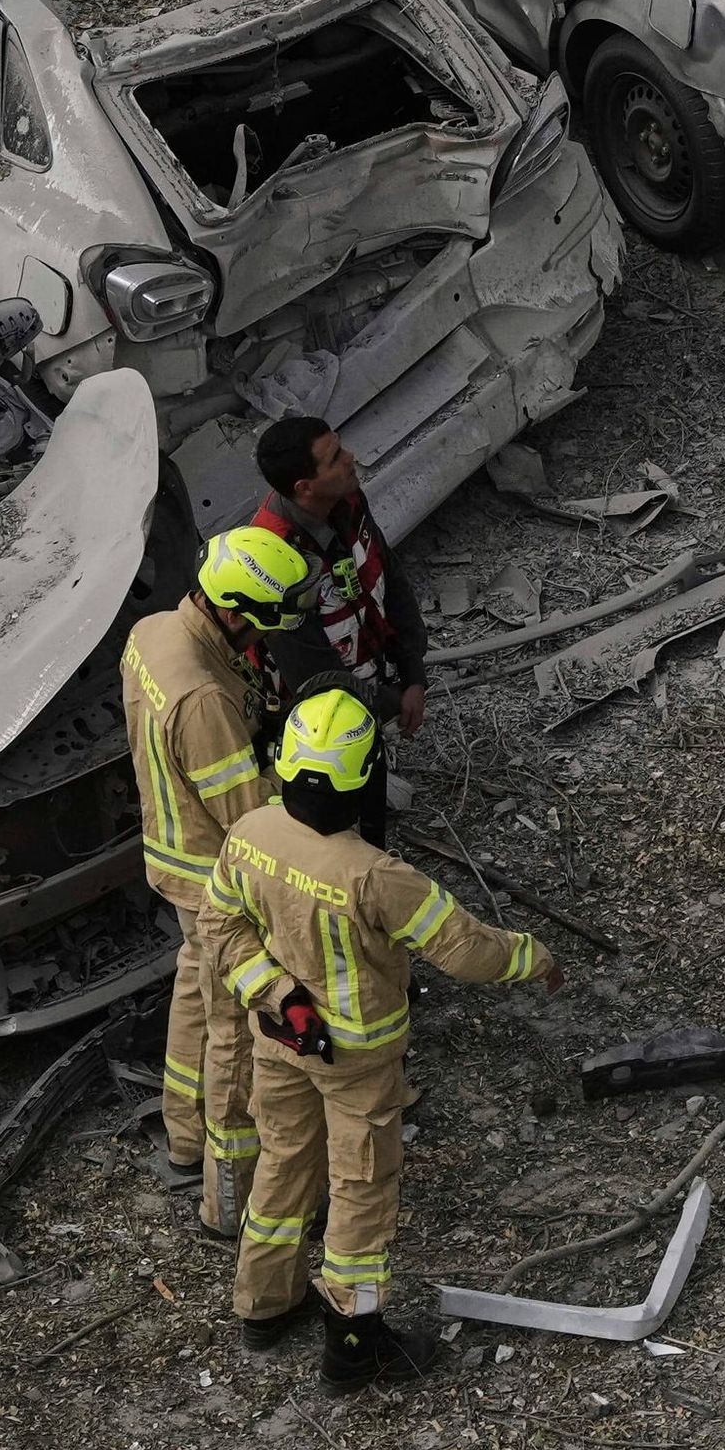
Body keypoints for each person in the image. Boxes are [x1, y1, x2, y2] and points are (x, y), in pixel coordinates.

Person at [219, 683, 556, 1388]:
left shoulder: (249, 833)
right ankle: (353, 1346)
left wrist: (280, 996)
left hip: (279, 1036)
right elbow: (465, 948)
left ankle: (264, 1306)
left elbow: (221, 932)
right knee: (362, 1193)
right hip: (358, 1059)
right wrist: (533, 956)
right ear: (362, 777)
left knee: (283, 1163)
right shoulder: (375, 875)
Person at [124, 523, 313, 1237]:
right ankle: (226, 1202)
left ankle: (181, 1135)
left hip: (170, 852)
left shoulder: (153, 634)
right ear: (234, 611)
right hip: (214, 877)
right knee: (233, 1030)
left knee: (195, 992)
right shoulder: (203, 699)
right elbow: (251, 820)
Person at [206, 415, 426, 737]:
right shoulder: (275, 564)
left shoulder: (346, 499)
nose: (350, 457)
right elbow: (316, 678)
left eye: (341, 447)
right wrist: (393, 703)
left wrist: (413, 673)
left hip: (368, 689)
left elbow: (389, 576)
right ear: (304, 488)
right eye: (335, 457)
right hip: (323, 722)